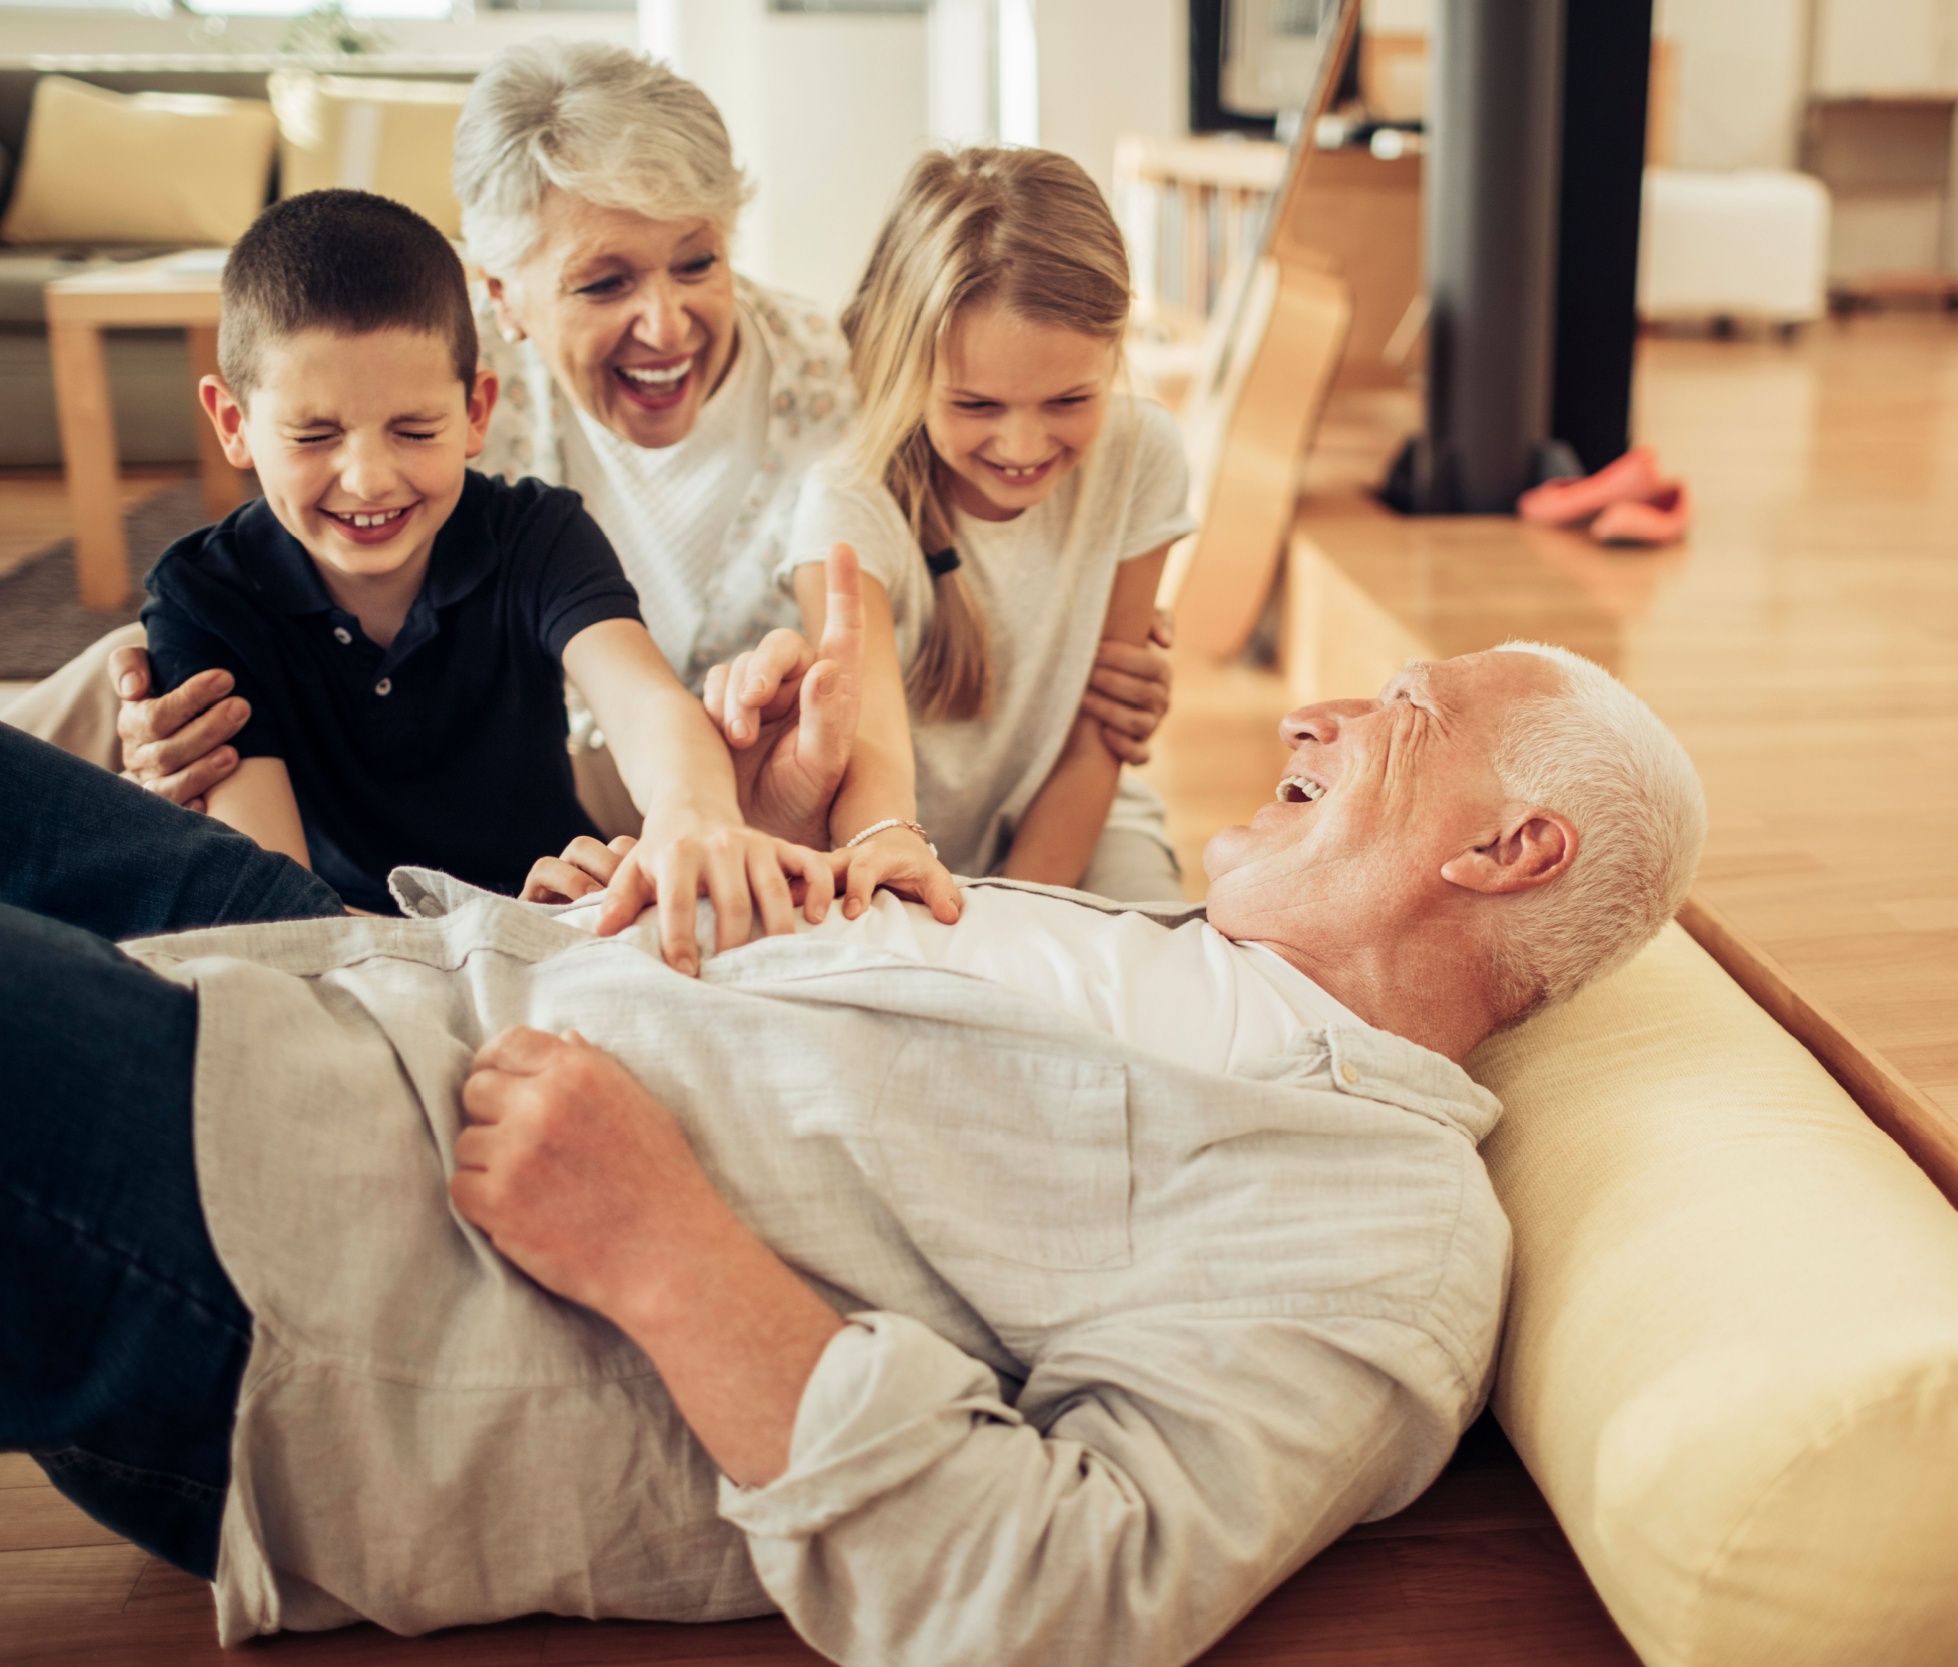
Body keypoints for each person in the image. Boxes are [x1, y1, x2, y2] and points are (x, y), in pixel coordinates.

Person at [0, 638, 1706, 1667]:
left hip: (338, 1259)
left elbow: (1058, 1596)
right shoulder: (1172, 944)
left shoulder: (1383, 1223)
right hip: (373, 975)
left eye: (1399, 709)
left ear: (1507, 846)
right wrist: (659, 917)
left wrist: (672, 1256)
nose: (1310, 716)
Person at [9, 41, 1178, 844]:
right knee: (139, 669)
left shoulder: (843, 387)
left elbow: (977, 559)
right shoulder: (453, 410)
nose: (665, 322)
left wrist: (1102, 660)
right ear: (503, 296)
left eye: (698, 260)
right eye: (604, 279)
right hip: (483, 754)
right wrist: (174, 725)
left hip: (683, 787)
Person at [137, 188, 815, 964]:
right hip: (366, 953)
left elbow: (646, 703)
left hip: (565, 915)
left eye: (415, 430)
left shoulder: (539, 533)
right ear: (234, 424)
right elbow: (276, 910)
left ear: (476, 411)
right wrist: (489, 936)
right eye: (315, 434)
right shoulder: (203, 598)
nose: (367, 479)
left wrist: (692, 816)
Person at [714, 146, 1194, 910]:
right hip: (887, 839)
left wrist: (1019, 918)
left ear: (1114, 354)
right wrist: (894, 839)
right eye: (976, 407)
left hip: (1084, 827)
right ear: (909, 371)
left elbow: (1097, 736)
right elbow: (869, 740)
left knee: (1161, 979)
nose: (1024, 446)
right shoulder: (849, 502)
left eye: (1070, 401)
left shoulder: (1146, 455)